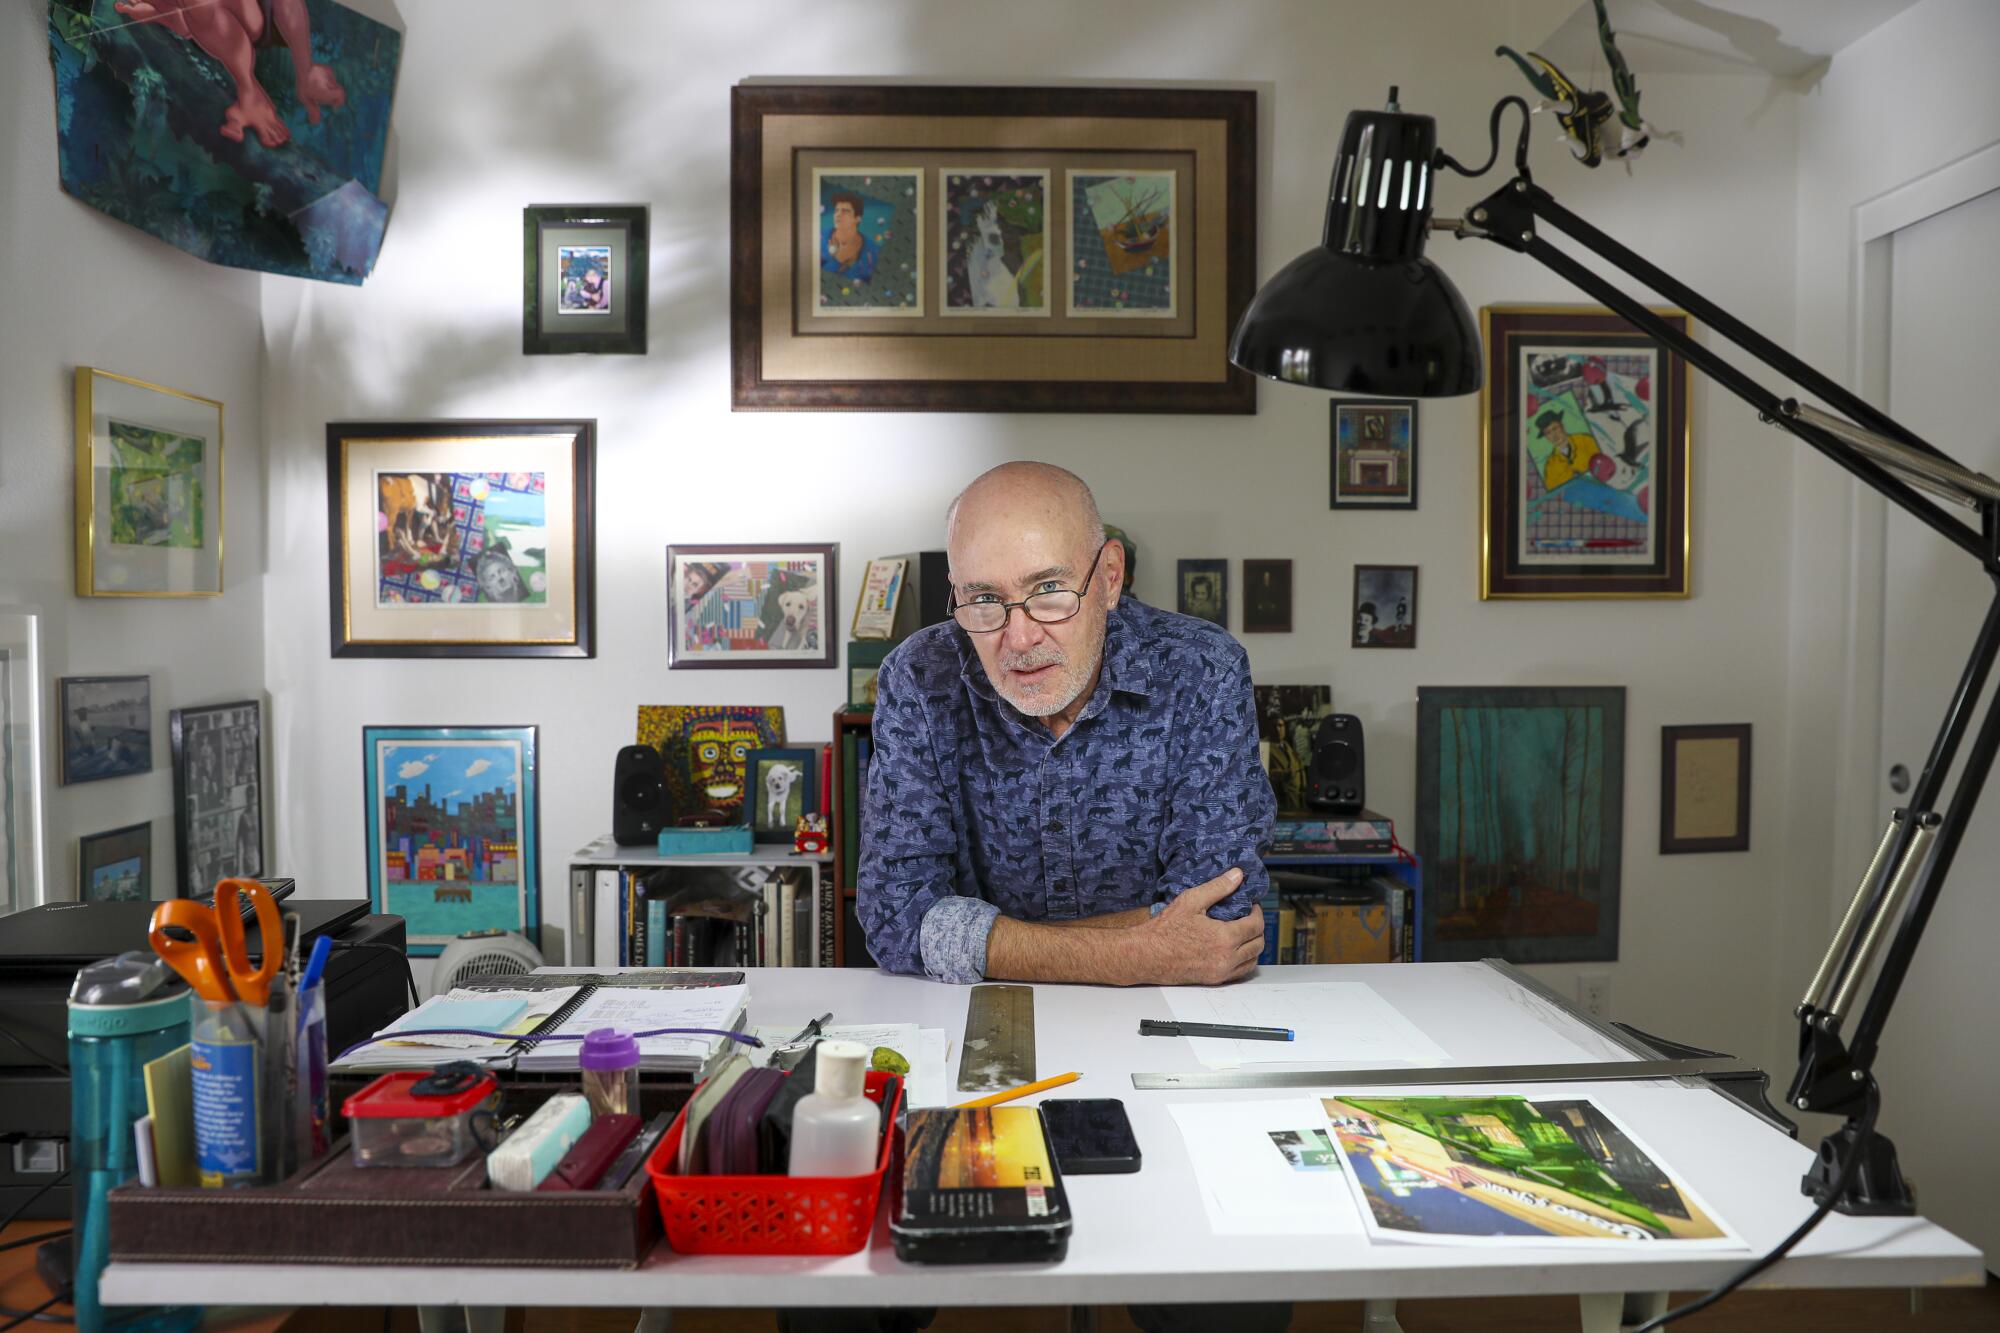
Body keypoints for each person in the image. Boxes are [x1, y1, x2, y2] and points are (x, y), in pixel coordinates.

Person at [849, 460, 1289, 1333]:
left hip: (1163, 1034)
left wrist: (987, 935)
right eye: (982, 600)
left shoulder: (1202, 673)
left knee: (1224, 1298)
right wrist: (1135, 947)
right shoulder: (919, 679)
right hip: (968, 1044)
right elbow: (894, 910)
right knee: (851, 1291)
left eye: (1048, 590)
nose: (1017, 636)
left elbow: (1221, 923)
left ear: (1110, 577)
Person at [822, 191, 880, 284]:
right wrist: (836, 260)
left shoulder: (873, 251)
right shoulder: (820, 238)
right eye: (836, 210)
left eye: (845, 211)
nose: (838, 214)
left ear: (857, 218)